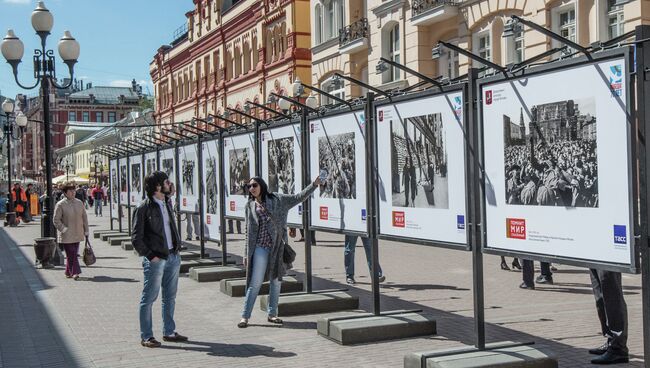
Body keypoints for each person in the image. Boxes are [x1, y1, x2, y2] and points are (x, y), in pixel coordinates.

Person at [238, 175, 320, 328]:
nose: (251, 189)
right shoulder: (249, 206)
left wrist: (314, 185)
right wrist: (245, 254)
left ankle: (272, 314)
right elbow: (248, 232)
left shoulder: (277, 200)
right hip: (260, 247)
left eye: (254, 185)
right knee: (255, 282)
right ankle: (245, 316)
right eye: (249, 187)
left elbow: (298, 197)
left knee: (276, 282)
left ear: (261, 185)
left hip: (277, 247)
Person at [132, 171, 188, 348]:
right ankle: (147, 336)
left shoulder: (166, 203)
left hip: (172, 256)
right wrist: (150, 256)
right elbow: (136, 237)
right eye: (166, 181)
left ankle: (169, 332)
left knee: (170, 297)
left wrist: (176, 251)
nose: (169, 183)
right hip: (156, 259)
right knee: (149, 298)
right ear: (157, 186)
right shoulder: (143, 208)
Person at [588, 269, 628, 364]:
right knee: (600, 297)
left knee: (612, 297)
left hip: (609, 256)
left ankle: (618, 348)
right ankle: (611, 341)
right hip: (594, 256)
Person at [53, 182, 89, 280]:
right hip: (67, 234)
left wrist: (86, 230)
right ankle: (75, 272)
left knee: (72, 254)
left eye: (74, 190)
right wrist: (63, 229)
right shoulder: (60, 204)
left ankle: (68, 271)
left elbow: (84, 217)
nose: (73, 192)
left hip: (78, 232)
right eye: (70, 191)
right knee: (72, 253)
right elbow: (56, 220)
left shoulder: (79, 202)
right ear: (65, 193)